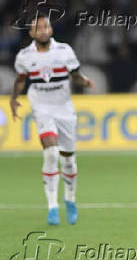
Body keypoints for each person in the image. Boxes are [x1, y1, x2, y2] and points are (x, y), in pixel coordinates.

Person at [10, 13, 95, 225]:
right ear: (31, 32)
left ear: (51, 30)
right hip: (41, 107)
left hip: (64, 108)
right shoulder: (24, 56)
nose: (43, 30)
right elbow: (21, 80)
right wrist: (13, 99)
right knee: (50, 152)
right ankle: (52, 207)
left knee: (68, 159)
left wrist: (84, 81)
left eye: (46, 26)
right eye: (38, 28)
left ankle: (70, 199)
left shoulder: (64, 51)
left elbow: (75, 75)